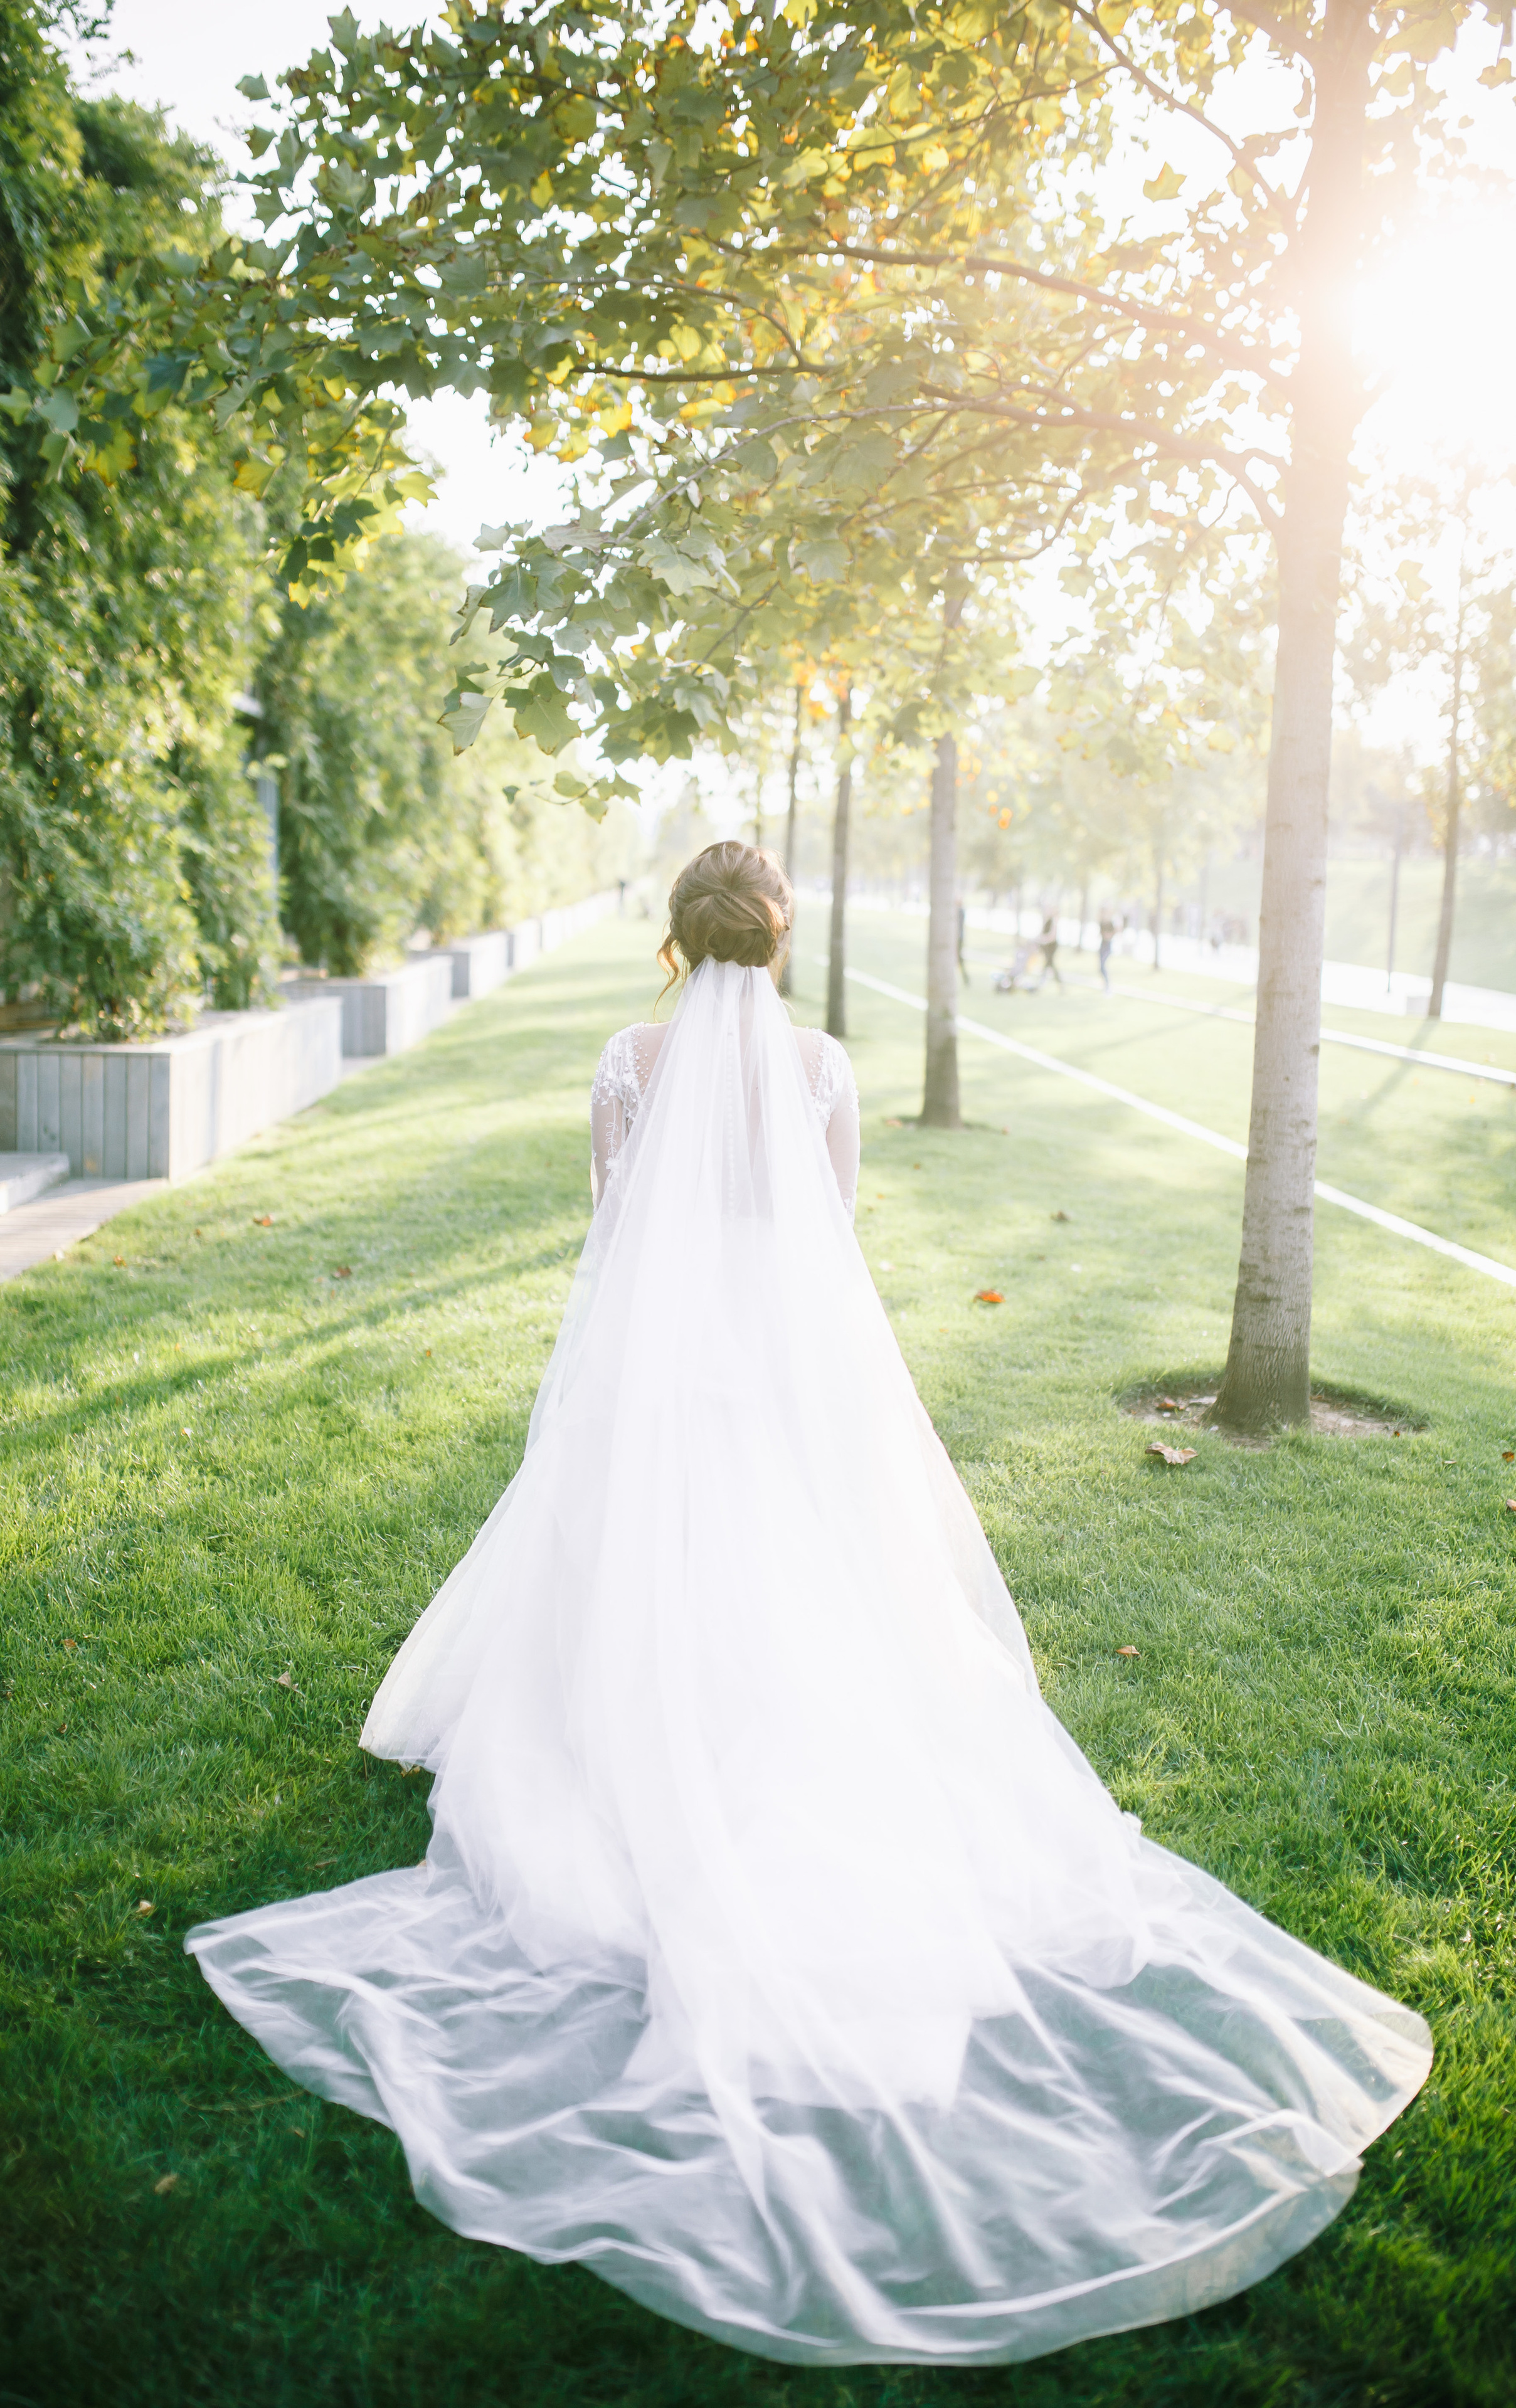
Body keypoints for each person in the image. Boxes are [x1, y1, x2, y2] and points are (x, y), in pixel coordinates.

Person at [188, 841, 1429, 2370]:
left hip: (662, 1382)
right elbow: (824, 1246)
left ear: (670, 939)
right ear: (778, 939)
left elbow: (607, 1232)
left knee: (629, 1557)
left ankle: (628, 1725)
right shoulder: (823, 1065)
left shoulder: (626, 1059)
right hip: (776, 1381)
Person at [1039, 911, 1064, 987]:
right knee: (1049, 964)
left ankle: (1042, 982)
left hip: (1051, 947)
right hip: (1046, 946)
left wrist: (1044, 940)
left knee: (1049, 964)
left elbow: (1052, 937)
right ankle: (1060, 984)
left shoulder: (1053, 922)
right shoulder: (1047, 921)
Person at [1098, 909, 1116, 992]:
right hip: (1102, 945)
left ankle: (1107, 985)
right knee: (1101, 967)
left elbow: (1112, 934)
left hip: (1108, 946)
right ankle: (1106, 984)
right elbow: (1102, 934)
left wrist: (1107, 935)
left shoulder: (1111, 924)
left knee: (1103, 966)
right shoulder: (1102, 923)